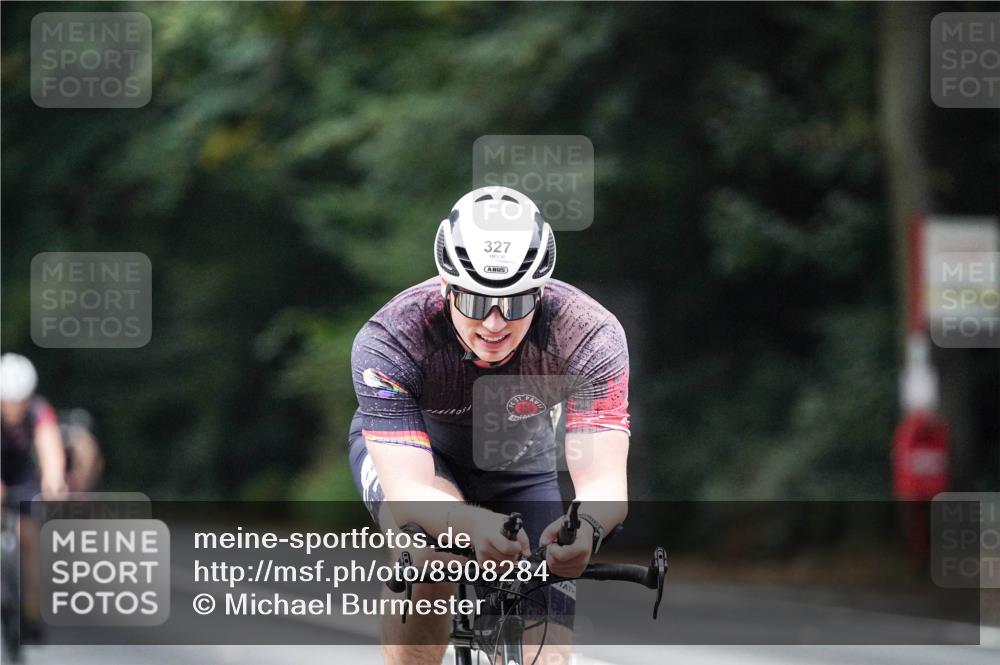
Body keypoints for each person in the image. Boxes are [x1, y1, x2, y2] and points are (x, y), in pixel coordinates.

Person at [349, 186, 630, 665]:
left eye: (516, 303)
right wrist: (470, 524)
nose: (495, 323)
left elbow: (604, 479)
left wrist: (586, 528)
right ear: (446, 286)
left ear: (541, 290)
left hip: (519, 463)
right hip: (421, 458)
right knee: (433, 560)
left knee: (547, 656)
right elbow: (410, 492)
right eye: (477, 303)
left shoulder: (588, 336)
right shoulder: (393, 337)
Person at [0, 353, 68, 636]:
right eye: (8, 401)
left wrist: (54, 479)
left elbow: (49, 445)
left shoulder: (39, 410)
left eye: (21, 400)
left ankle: (30, 607)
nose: (15, 407)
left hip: (23, 473)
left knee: (32, 539)